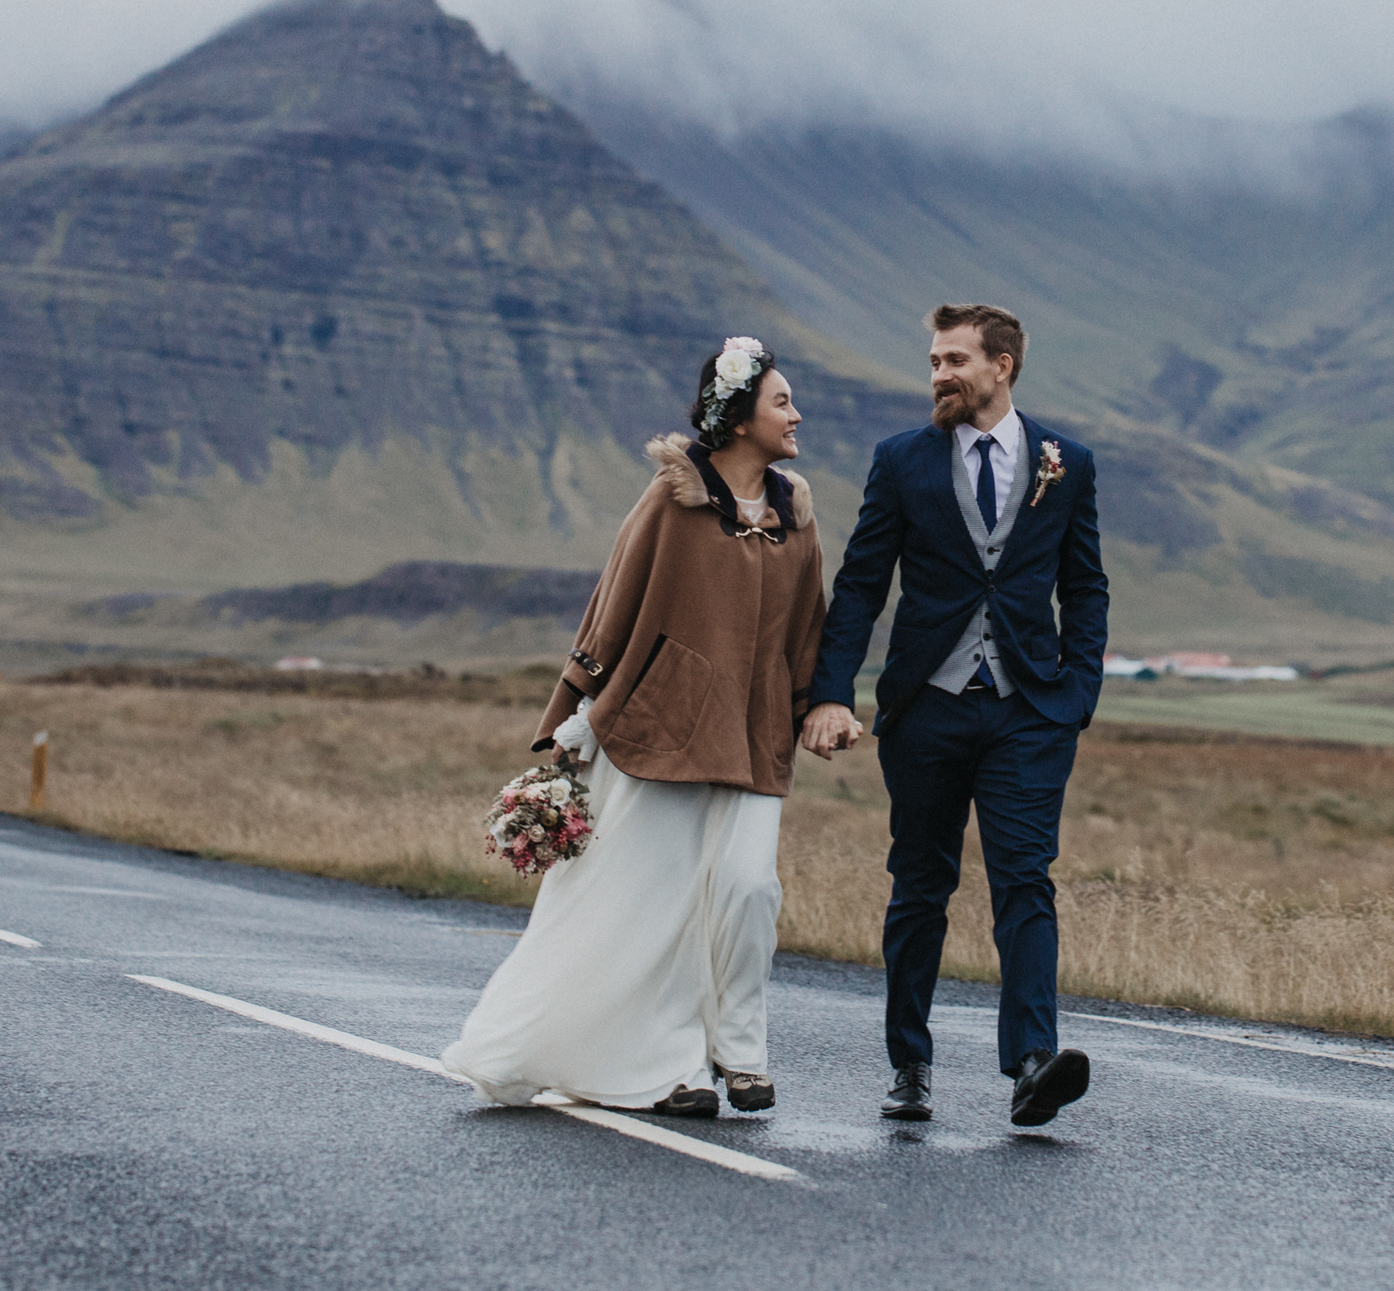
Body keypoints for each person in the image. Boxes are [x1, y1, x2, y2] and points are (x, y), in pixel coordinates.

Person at [443, 337, 826, 1117]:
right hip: (665, 730)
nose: (796, 414)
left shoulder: (796, 512)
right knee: (658, 902)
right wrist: (574, 712)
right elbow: (615, 604)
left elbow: (809, 631)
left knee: (750, 889)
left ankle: (742, 1049)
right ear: (740, 416)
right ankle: (673, 1069)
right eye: (781, 401)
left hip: (757, 739)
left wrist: (820, 704)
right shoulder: (671, 498)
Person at [801, 303, 1109, 1129]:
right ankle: (910, 1061)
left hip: (1029, 712)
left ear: (1002, 365)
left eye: (955, 360)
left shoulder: (1065, 463)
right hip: (925, 709)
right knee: (920, 887)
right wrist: (832, 691)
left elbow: (1084, 586)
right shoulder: (902, 460)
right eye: (934, 360)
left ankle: (1034, 1063)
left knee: (1024, 880)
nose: (939, 373)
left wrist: (1077, 693)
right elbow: (863, 583)